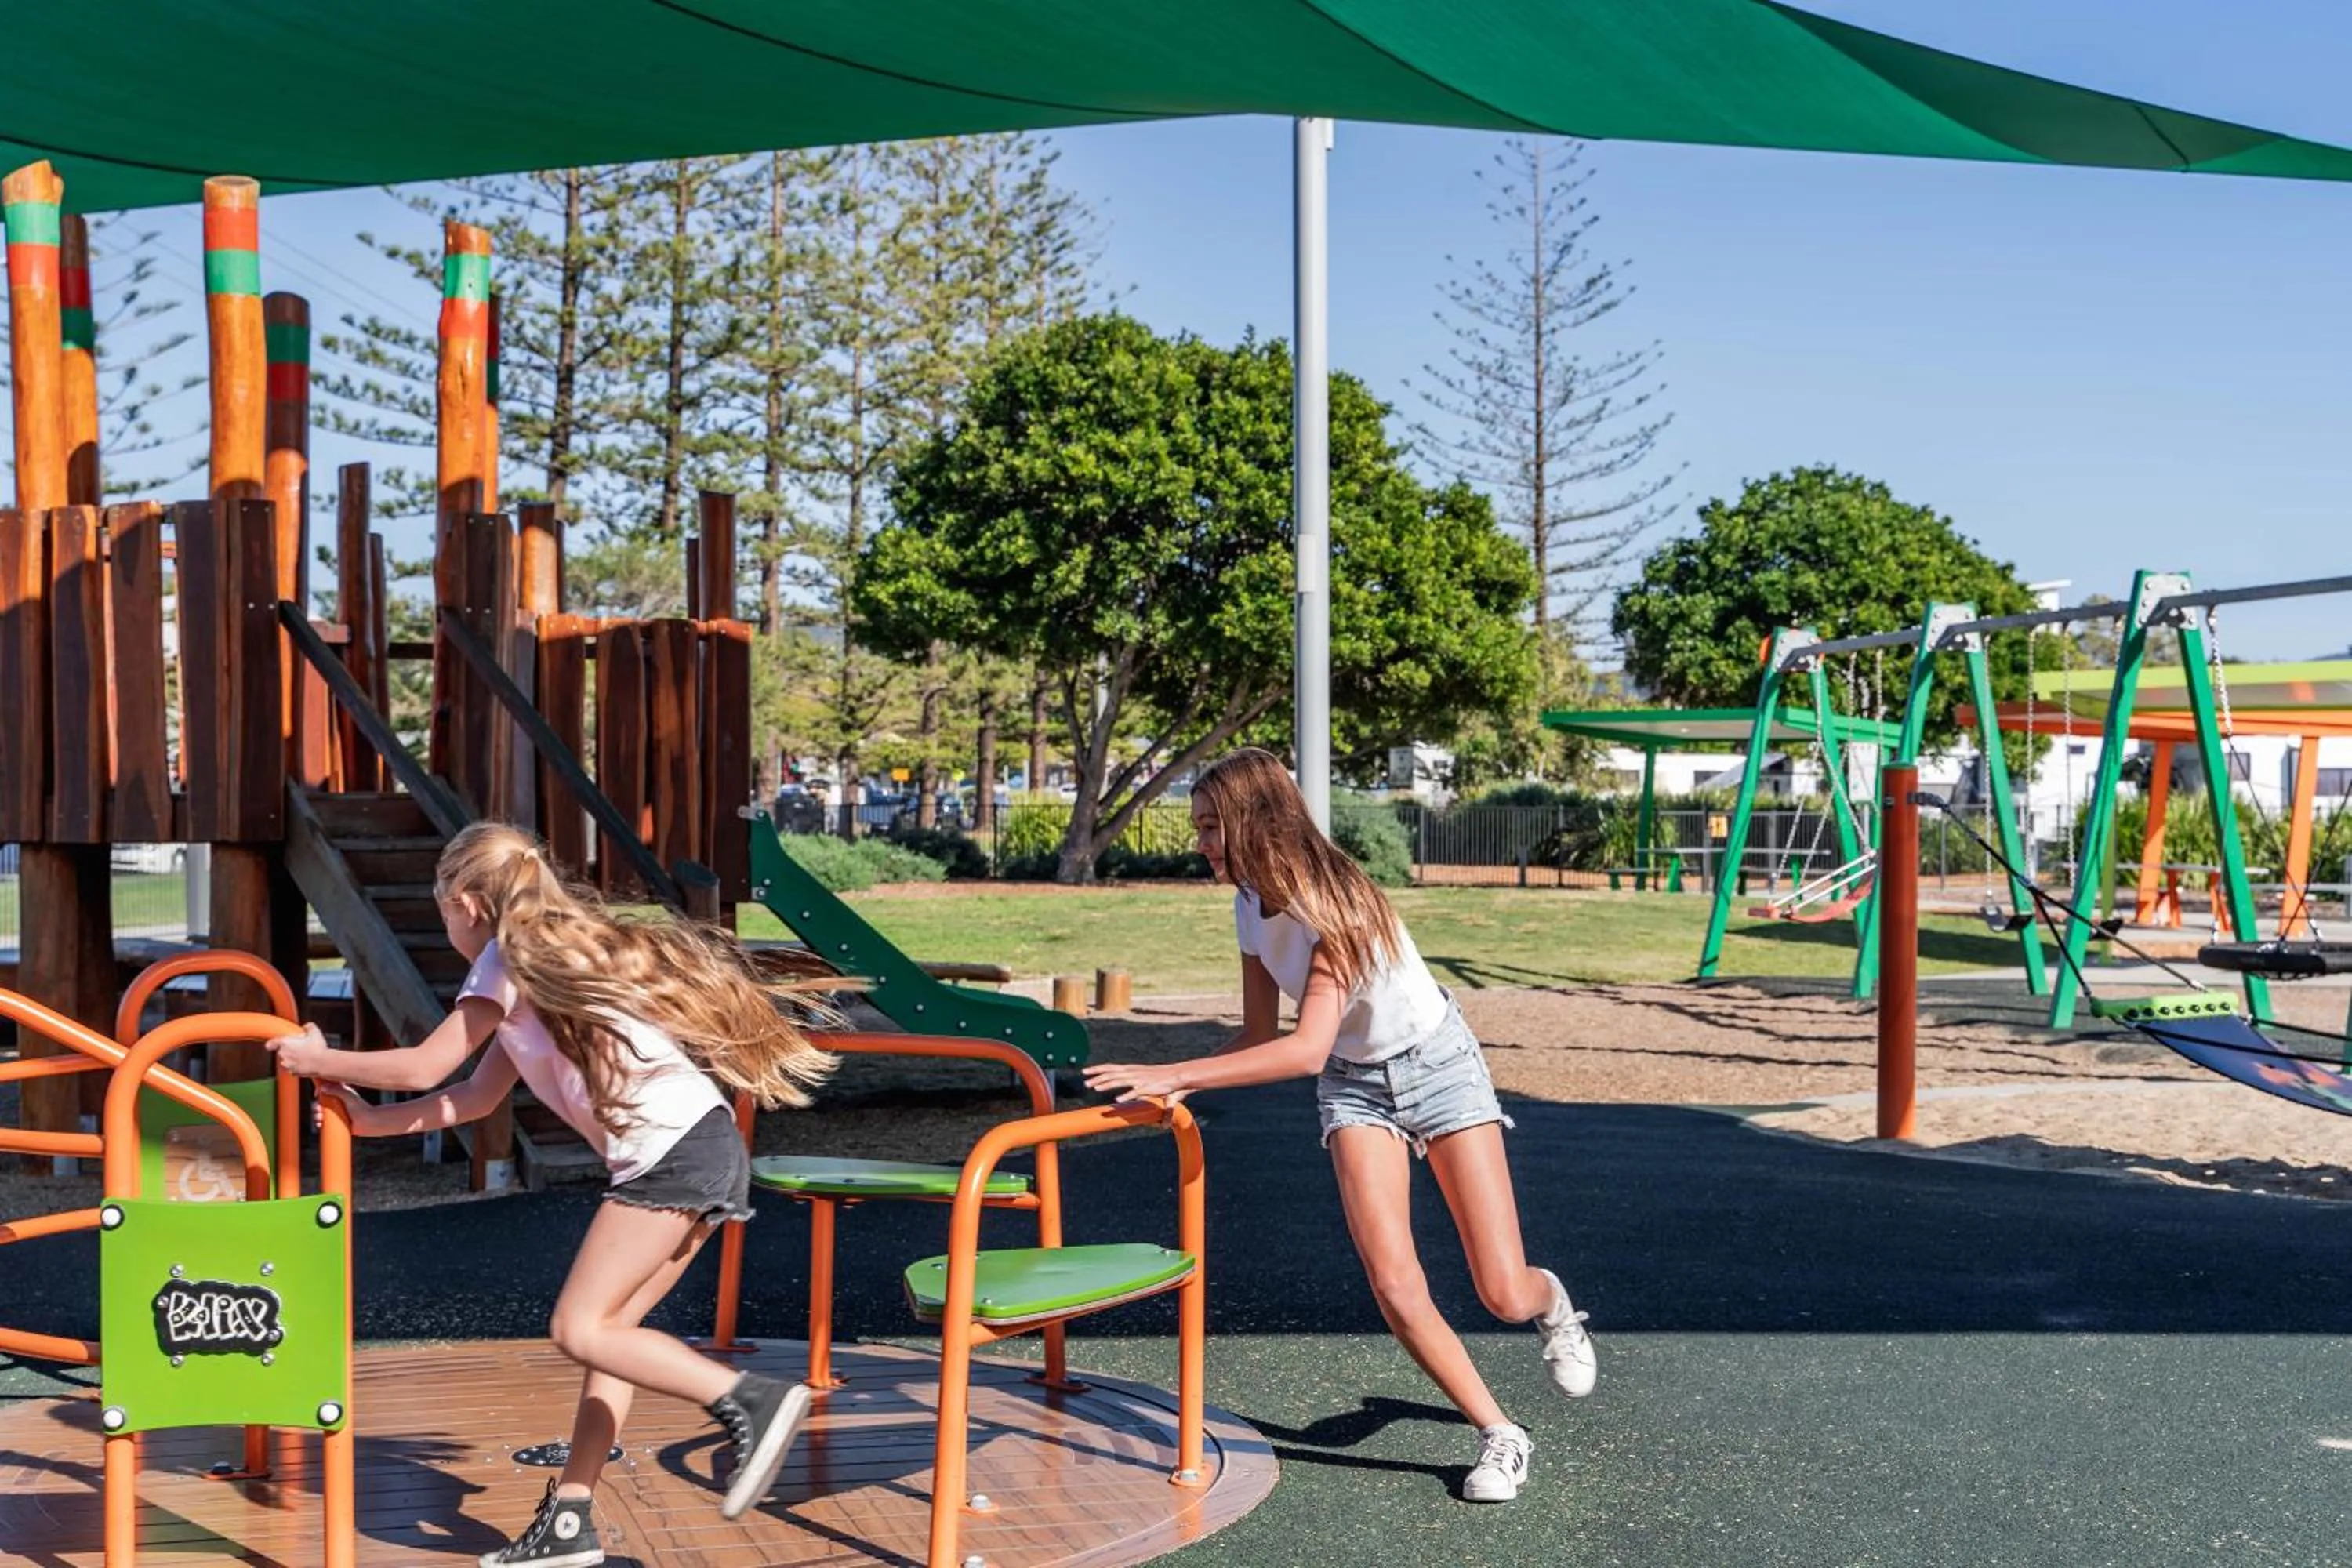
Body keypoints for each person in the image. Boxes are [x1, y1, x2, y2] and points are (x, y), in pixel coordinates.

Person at [270, 822, 837, 1566]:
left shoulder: (504, 960)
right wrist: (370, 1122)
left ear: (468, 902)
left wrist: (319, 1055)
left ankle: (750, 1399)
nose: (447, 927)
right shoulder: (543, 965)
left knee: (577, 1328)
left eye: (443, 910)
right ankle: (570, 1516)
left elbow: (423, 1064)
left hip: (670, 1156)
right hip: (705, 1143)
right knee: (614, 1342)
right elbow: (470, 1097)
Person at [1081, 748, 1594, 1504]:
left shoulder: (1338, 903)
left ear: (1253, 821)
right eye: (1198, 827)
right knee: (1392, 1280)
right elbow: (1261, 1033)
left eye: (1211, 827)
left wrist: (1177, 1074)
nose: (1201, 844)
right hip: (1355, 1087)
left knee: (1500, 1293)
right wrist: (1164, 1089)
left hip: (1438, 1065)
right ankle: (1500, 1434)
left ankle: (1552, 1306)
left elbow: (1303, 1047)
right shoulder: (1249, 902)